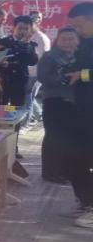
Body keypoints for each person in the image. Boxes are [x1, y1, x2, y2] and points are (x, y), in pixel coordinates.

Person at [37, 27, 79, 186]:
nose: (68, 42)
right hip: (54, 100)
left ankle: (65, 170)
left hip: (74, 101)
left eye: (71, 39)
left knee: (69, 137)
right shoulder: (50, 56)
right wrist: (64, 78)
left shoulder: (81, 55)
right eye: (64, 39)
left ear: (77, 40)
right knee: (54, 136)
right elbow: (42, 77)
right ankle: (50, 172)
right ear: (57, 40)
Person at [65, 2, 93, 228]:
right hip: (80, 109)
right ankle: (86, 201)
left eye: (79, 25)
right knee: (76, 156)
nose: (77, 30)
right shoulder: (81, 42)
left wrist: (83, 75)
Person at [0, 15, 39, 108]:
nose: (22, 31)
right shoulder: (3, 42)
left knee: (16, 108)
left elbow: (32, 61)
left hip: (20, 81)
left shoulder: (31, 45)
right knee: (2, 108)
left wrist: (25, 44)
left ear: (30, 30)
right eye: (20, 28)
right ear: (14, 28)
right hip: (3, 80)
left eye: (26, 29)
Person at [26, 9, 51, 125]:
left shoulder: (41, 37)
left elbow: (44, 58)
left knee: (28, 95)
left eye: (38, 18)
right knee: (28, 96)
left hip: (36, 73)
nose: (36, 20)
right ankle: (40, 114)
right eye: (33, 18)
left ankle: (25, 122)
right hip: (27, 72)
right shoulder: (28, 36)